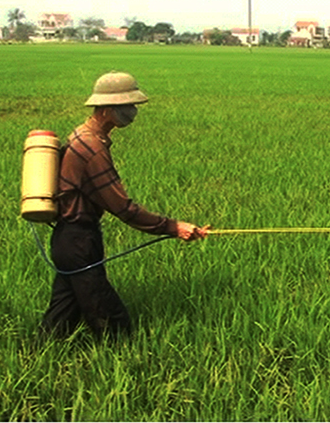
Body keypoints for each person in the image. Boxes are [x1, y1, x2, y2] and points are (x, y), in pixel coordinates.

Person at [40, 71, 207, 338]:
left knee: (63, 311)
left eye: (132, 105)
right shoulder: (91, 148)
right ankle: (125, 360)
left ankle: (44, 353)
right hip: (78, 239)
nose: (132, 112)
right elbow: (124, 209)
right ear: (105, 109)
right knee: (110, 317)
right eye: (125, 106)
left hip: (69, 239)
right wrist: (174, 227)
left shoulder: (83, 135)